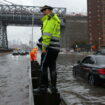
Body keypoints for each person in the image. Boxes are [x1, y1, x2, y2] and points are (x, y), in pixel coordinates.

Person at [38, 5, 61, 93]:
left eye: (44, 10)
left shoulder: (49, 20)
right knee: (52, 67)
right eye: (42, 11)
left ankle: (43, 88)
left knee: (43, 67)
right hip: (55, 48)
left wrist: (43, 48)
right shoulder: (56, 20)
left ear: (49, 10)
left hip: (49, 48)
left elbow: (47, 35)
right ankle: (54, 88)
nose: (43, 12)